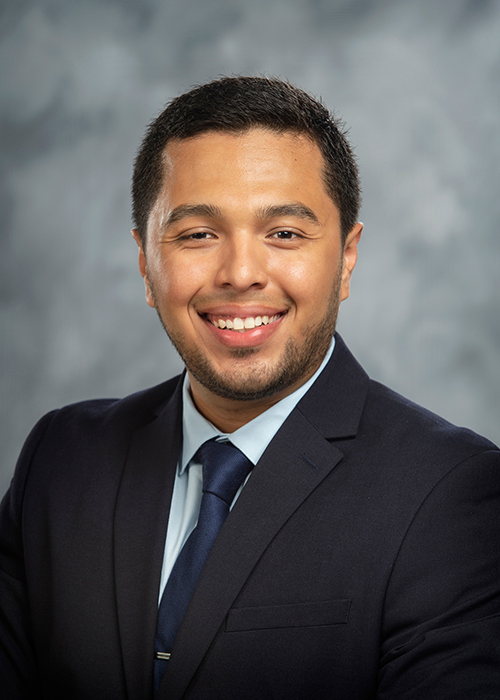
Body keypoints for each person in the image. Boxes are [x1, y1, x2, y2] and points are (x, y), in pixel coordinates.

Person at [1, 76, 499, 700]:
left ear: (346, 258)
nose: (240, 274)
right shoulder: (61, 460)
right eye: (198, 235)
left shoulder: (451, 491)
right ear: (145, 264)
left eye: (284, 233)